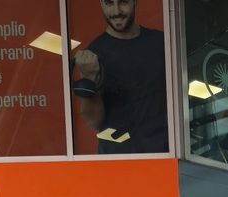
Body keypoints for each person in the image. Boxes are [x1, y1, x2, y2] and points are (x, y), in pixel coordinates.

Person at [70, 0, 168, 155]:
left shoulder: (162, 43)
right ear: (101, 4)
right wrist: (89, 79)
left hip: (163, 155)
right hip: (117, 157)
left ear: (135, 2)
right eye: (109, 3)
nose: (116, 11)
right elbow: (94, 122)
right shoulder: (94, 53)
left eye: (123, 2)